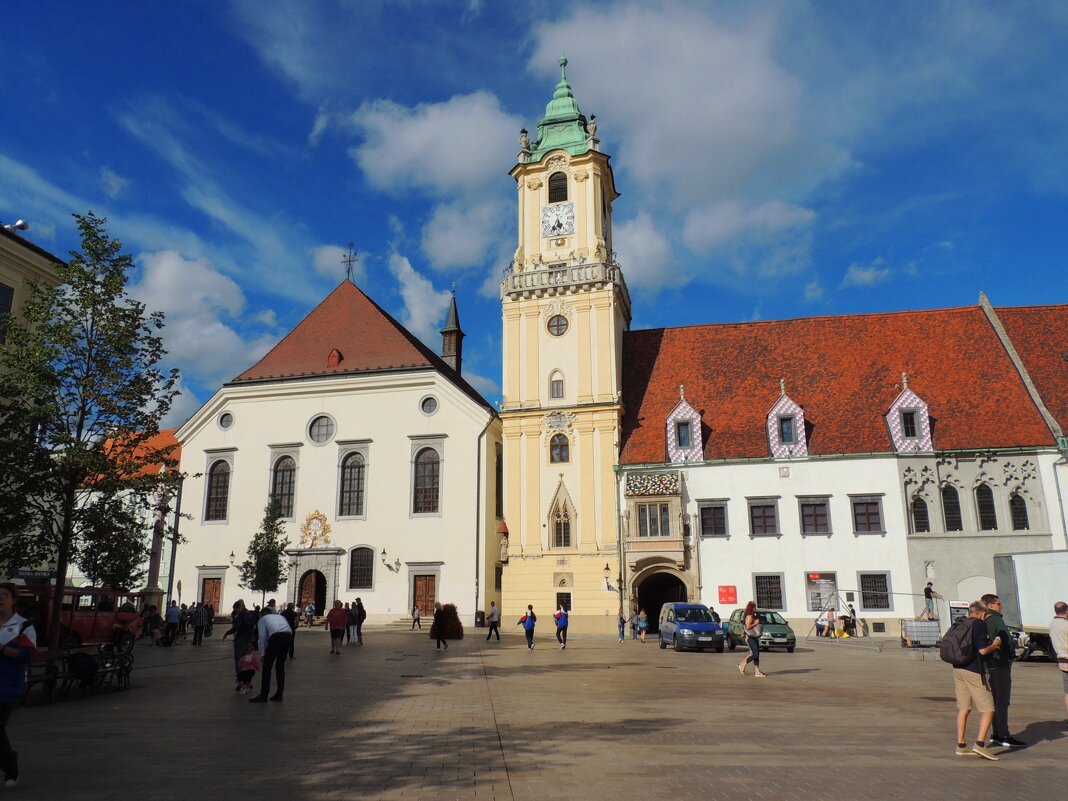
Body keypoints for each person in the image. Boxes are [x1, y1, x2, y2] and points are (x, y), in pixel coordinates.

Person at [952, 600, 1003, 760]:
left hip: (958, 668)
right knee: (988, 708)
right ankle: (980, 745)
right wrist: (994, 645)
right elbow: (982, 651)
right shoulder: (979, 625)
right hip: (973, 671)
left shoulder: (960, 623)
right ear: (982, 613)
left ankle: (961, 745)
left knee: (964, 708)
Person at [0, 583, 37, 787]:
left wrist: (3, 650)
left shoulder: (23, 626)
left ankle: (10, 763)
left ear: (13, 600)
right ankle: (8, 760)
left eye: (4, 595)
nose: (0, 599)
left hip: (7, 686)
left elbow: (27, 655)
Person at [981, 593, 1024, 747]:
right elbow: (1004, 640)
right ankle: (1004, 735)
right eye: (999, 603)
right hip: (1000, 664)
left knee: (994, 700)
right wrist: (1010, 655)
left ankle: (996, 733)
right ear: (991, 605)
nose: (1001, 606)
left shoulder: (984, 620)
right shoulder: (996, 619)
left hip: (989, 664)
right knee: (1002, 701)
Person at [249, 606, 292, 703]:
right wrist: (286, 651)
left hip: (276, 637)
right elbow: (288, 629)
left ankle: (264, 695)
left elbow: (262, 638)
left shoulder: (262, 620)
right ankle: (279, 694)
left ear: (261, 614)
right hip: (288, 636)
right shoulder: (280, 617)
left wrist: (262, 654)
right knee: (280, 667)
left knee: (267, 668)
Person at [223, 600, 255, 683]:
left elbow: (236, 627)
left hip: (241, 639)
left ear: (238, 608)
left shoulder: (241, 615)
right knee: (247, 658)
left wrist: (228, 632)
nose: (234, 611)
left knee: (238, 658)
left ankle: (240, 677)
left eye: (235, 609)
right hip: (249, 638)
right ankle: (247, 680)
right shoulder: (249, 613)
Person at [1049, 601, 1068, 722]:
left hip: (1063, 661)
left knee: (1067, 692)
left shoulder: (1053, 624)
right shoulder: (1066, 625)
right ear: (1066, 611)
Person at [738, 601, 767, 678]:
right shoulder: (749, 616)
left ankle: (757, 671)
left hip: (754, 637)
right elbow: (748, 627)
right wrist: (756, 623)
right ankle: (742, 664)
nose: (755, 608)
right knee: (755, 654)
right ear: (752, 608)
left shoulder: (751, 615)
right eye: (754, 607)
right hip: (750, 638)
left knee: (757, 654)